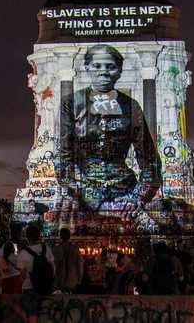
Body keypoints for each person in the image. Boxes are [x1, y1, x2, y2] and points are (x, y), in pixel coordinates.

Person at [58, 45, 162, 219]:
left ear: (119, 71)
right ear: (87, 68)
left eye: (110, 66)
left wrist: (136, 199)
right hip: (83, 199)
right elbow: (63, 159)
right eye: (97, 66)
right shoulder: (71, 103)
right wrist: (95, 201)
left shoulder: (131, 106)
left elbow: (150, 160)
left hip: (127, 197)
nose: (103, 72)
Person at [17, 224, 55, 321]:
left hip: (30, 288)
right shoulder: (47, 249)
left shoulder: (23, 253)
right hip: (46, 286)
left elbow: (22, 275)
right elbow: (52, 267)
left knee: (31, 314)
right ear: (39, 235)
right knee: (46, 314)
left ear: (27, 237)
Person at [52, 228, 83, 293]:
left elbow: (54, 265)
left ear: (60, 236)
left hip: (59, 279)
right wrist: (79, 278)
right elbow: (80, 265)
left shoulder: (56, 249)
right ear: (69, 236)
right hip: (72, 279)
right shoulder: (75, 249)